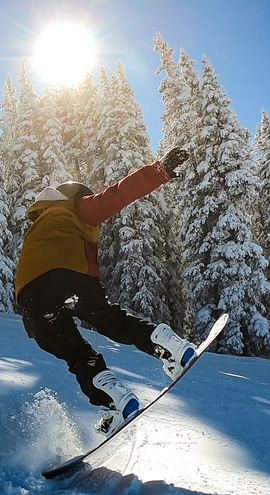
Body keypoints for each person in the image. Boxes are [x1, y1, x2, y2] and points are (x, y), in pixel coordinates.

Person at [15, 147, 196, 435]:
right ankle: (168, 346)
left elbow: (29, 276)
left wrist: (34, 322)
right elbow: (117, 194)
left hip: (34, 297)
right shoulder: (76, 207)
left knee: (75, 353)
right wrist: (158, 171)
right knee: (110, 319)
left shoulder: (39, 224)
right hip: (72, 278)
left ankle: (115, 401)